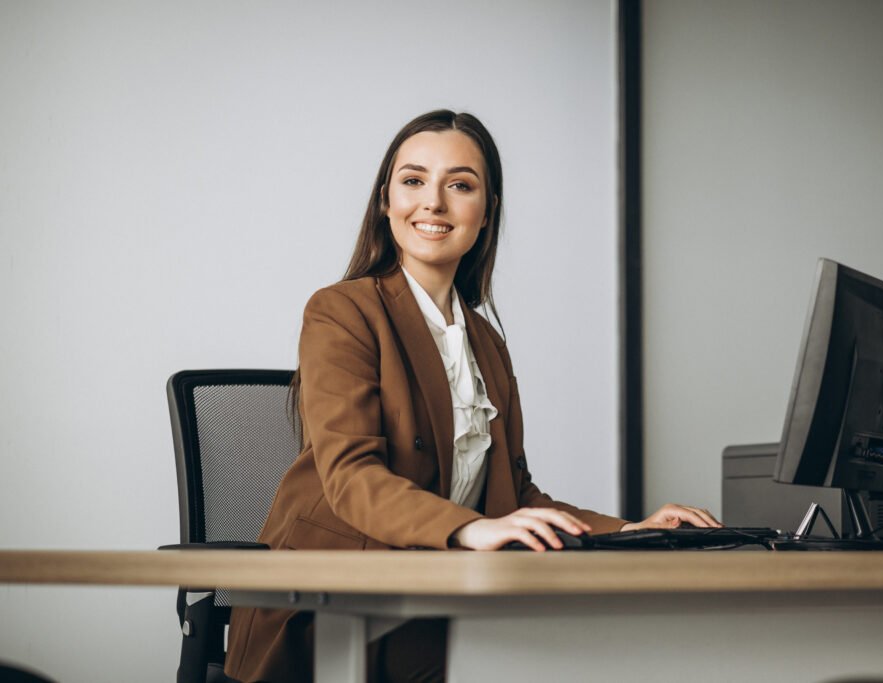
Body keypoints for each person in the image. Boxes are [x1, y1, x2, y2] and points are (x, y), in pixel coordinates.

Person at [223, 110, 720, 683]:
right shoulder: (343, 310)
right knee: (528, 662)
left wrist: (631, 531)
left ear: (486, 214)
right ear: (385, 202)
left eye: (459, 185)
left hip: (437, 596)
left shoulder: (486, 343)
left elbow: (516, 497)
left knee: (594, 644)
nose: (432, 202)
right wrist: (466, 528)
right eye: (412, 181)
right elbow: (352, 477)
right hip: (335, 606)